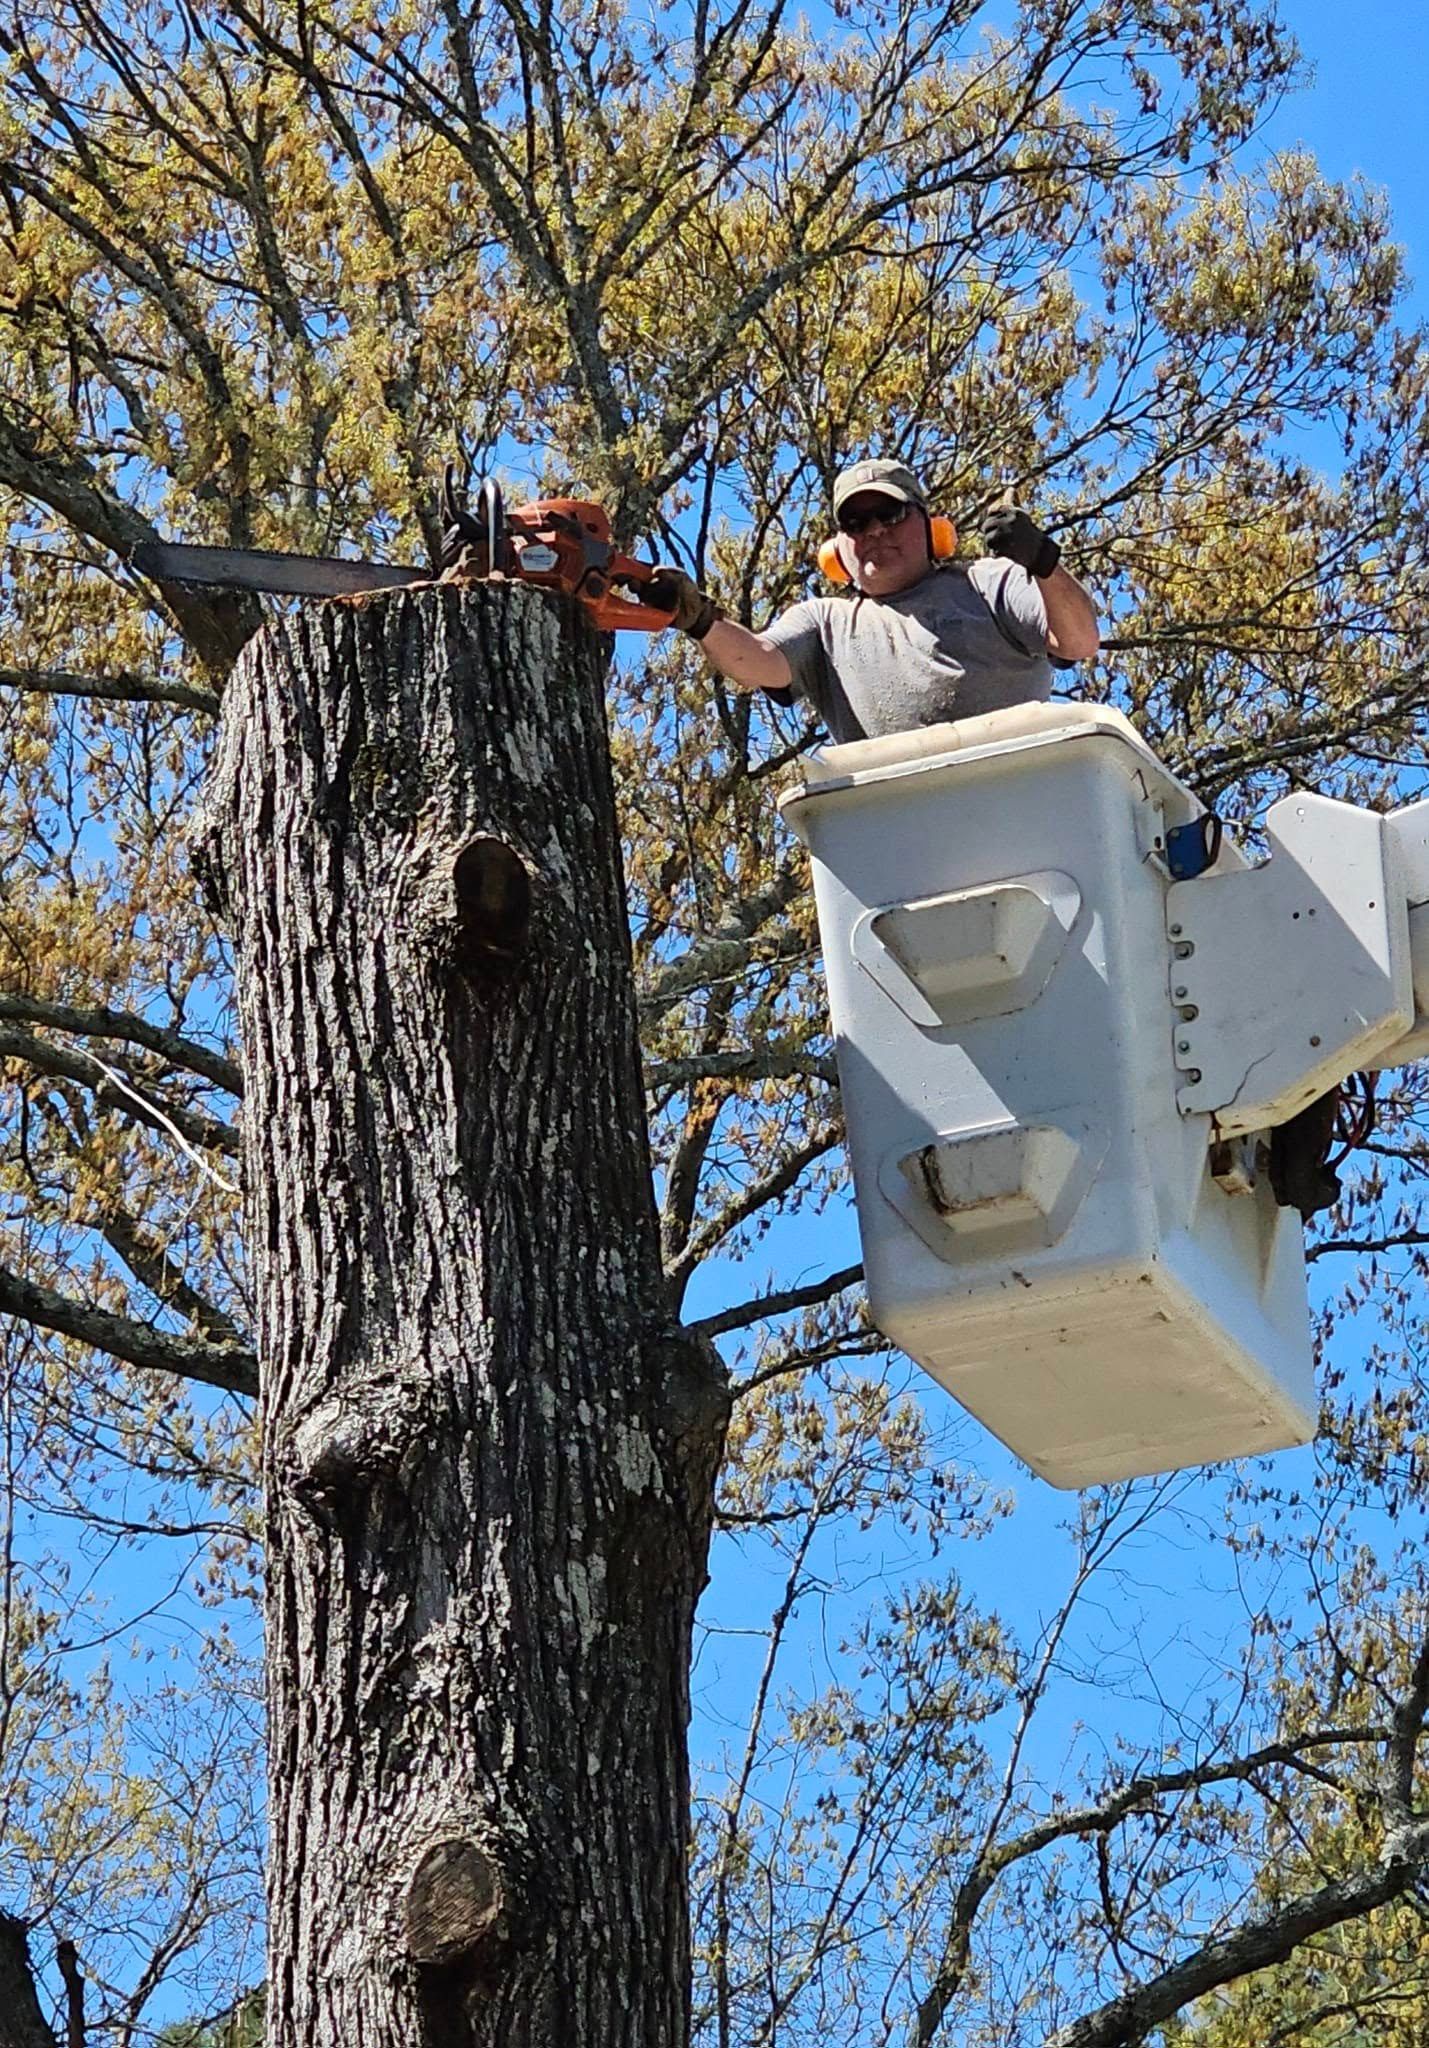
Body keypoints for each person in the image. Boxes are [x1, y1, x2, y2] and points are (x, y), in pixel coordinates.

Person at [640, 457, 1100, 743]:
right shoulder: (825, 623)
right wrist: (698, 619)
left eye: (891, 513)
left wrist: (1042, 560)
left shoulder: (989, 582)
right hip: (892, 823)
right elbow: (758, 660)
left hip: (1022, 791)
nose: (876, 530)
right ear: (837, 551)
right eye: (857, 523)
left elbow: (1078, 641)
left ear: (930, 527)